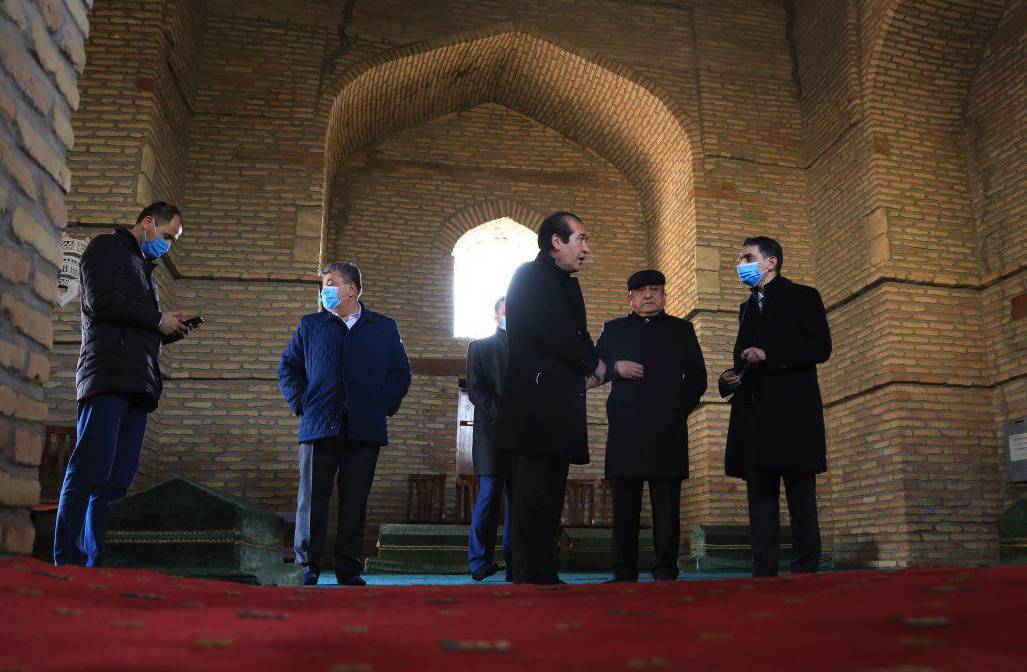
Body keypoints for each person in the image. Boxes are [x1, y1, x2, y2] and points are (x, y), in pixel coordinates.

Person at [54, 202, 195, 566]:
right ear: (148, 223)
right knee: (90, 470)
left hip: (138, 382)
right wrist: (156, 318)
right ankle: (67, 559)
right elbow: (102, 302)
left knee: (117, 480)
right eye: (168, 236)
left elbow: (138, 325)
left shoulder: (145, 271)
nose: (168, 246)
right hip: (107, 376)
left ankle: (99, 560)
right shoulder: (106, 247)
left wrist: (167, 328)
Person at [277, 261, 411, 586]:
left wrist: (381, 403)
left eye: (330, 282)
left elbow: (400, 373)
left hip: (364, 427)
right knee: (312, 501)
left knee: (355, 501)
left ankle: (348, 568)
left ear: (351, 289)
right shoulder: (310, 325)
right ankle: (306, 566)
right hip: (318, 425)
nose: (324, 289)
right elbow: (288, 367)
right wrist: (302, 403)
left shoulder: (383, 327)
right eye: (323, 283)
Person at [495, 211, 604, 584]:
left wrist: (593, 362)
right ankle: (528, 576)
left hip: (559, 407)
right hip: (534, 409)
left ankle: (543, 571)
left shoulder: (568, 285)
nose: (586, 248)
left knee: (551, 495)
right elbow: (545, 332)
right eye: (581, 238)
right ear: (557, 241)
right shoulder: (528, 276)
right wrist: (592, 362)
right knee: (531, 494)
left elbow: (578, 334)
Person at [718, 236, 832, 577]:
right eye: (740, 258)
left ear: (771, 262)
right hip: (754, 416)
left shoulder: (803, 297)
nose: (741, 264)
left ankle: (805, 570)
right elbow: (742, 358)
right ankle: (764, 571)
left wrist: (770, 355)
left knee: (801, 497)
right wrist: (729, 378)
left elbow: (820, 348)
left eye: (747, 257)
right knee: (760, 499)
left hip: (793, 414)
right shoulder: (746, 308)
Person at [596, 270, 707, 582]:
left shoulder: (682, 330)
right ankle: (623, 572)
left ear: (664, 295)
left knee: (667, 508)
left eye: (655, 289)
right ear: (630, 298)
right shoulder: (613, 330)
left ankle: (666, 571)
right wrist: (616, 368)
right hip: (626, 431)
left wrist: (677, 411)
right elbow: (593, 369)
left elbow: (698, 378)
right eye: (641, 290)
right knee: (624, 507)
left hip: (667, 431)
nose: (648, 295)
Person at [466, 297, 512, 581]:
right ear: (496, 316)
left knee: (518, 499)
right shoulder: (479, 347)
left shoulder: (531, 350)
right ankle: (479, 562)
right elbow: (476, 390)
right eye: (507, 311)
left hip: (525, 434)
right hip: (491, 435)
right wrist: (504, 414)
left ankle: (515, 562)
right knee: (489, 495)